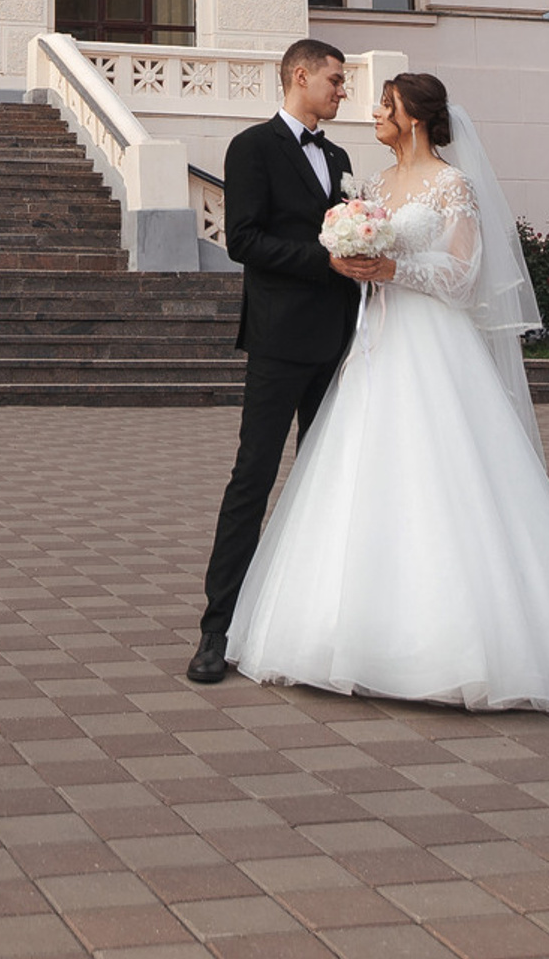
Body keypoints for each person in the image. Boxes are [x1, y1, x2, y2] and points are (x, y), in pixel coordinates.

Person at [220, 69, 549, 711]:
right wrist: (356, 263)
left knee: (443, 477)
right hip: (372, 344)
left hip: (432, 345)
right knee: (362, 477)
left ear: (414, 119)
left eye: (384, 104)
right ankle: (348, 634)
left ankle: (468, 646)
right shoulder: (367, 183)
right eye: (358, 93)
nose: (370, 109)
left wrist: (392, 267)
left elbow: (463, 276)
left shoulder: (453, 184)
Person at [186, 36, 361, 685]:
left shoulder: (340, 155)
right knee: (252, 480)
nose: (342, 90)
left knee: (329, 484)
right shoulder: (252, 148)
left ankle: (315, 629)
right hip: (280, 341)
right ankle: (215, 630)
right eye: (335, 80)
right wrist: (328, 261)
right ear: (300, 76)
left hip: (340, 343)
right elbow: (244, 241)